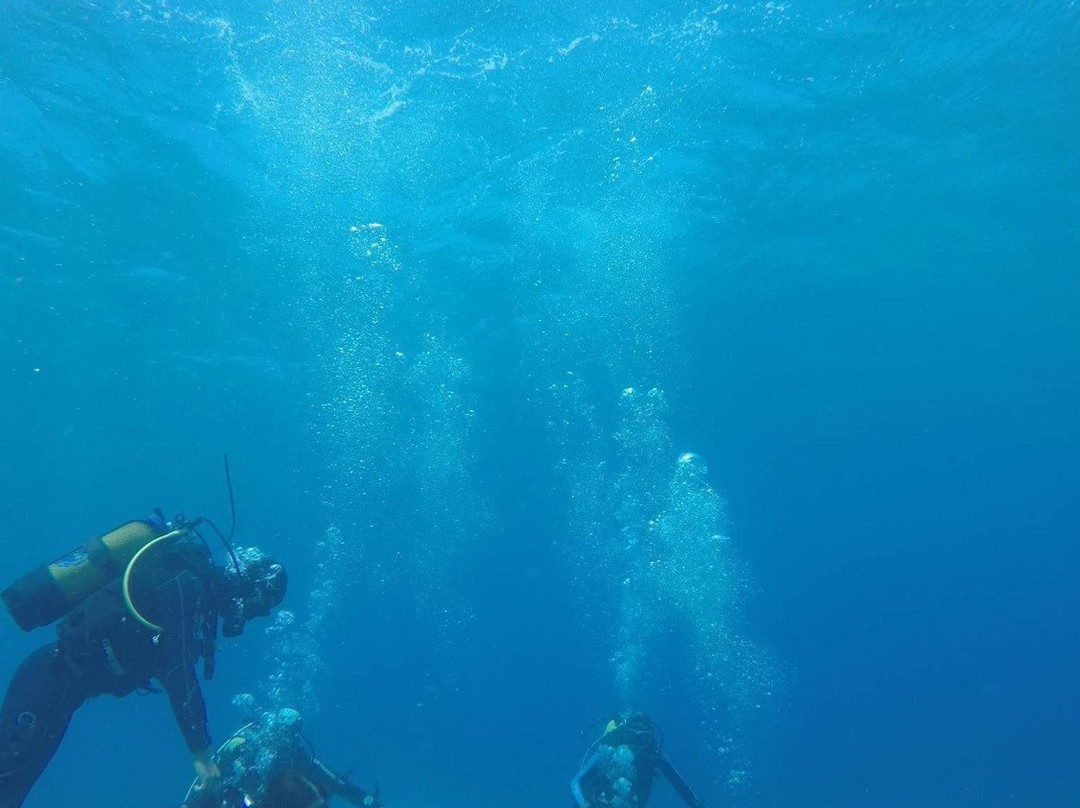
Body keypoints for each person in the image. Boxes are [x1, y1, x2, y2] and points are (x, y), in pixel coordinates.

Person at [0, 511, 287, 808]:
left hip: (63, 694)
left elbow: (170, 662)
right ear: (249, 587)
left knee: (10, 794)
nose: (249, 616)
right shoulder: (184, 583)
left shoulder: (194, 599)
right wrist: (201, 754)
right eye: (258, 607)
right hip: (48, 681)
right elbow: (178, 669)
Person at [180, 704, 381, 808]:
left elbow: (334, 782)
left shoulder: (298, 756)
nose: (282, 740)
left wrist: (366, 800)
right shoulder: (246, 745)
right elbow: (211, 774)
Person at [570, 711, 705, 808]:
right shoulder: (610, 749)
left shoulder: (655, 757)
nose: (637, 743)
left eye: (642, 737)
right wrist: (584, 804)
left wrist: (696, 804)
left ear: (649, 739)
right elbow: (576, 781)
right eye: (632, 735)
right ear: (625, 735)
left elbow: (678, 783)